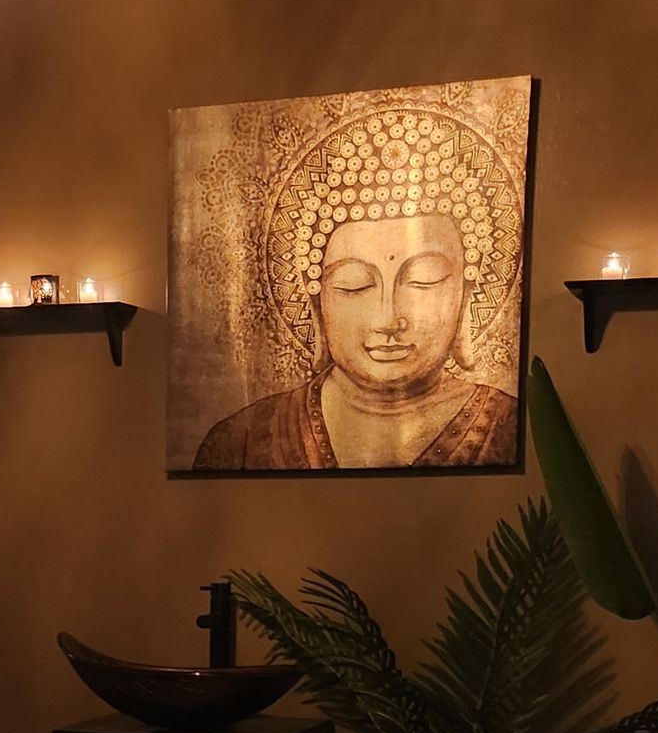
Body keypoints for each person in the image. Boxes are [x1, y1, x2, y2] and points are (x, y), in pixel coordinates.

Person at [190, 105, 522, 472]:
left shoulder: (509, 428)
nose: (387, 319)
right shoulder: (241, 441)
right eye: (354, 286)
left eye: (422, 280)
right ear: (316, 301)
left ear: (467, 291)